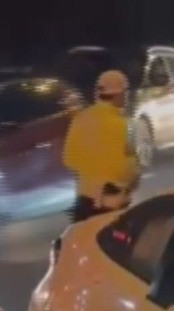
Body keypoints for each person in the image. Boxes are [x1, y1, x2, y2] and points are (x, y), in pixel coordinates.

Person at [62, 70, 141, 223]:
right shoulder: (126, 126)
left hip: (85, 202)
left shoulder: (80, 119)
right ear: (119, 95)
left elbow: (69, 159)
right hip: (112, 204)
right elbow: (130, 169)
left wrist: (92, 171)